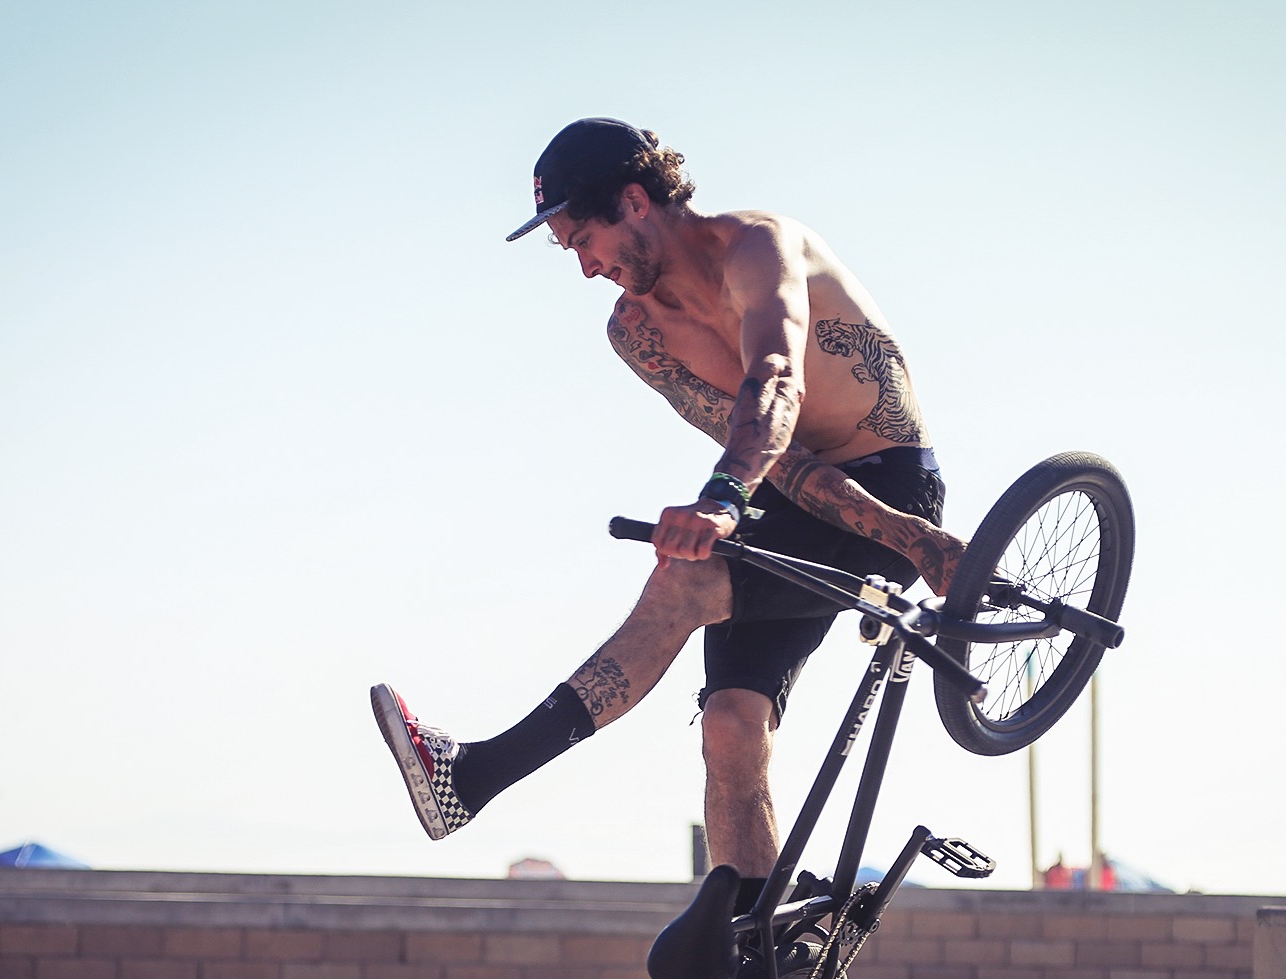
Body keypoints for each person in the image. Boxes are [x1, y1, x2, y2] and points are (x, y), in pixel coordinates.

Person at [372, 118, 963, 902]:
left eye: (585, 240)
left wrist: (900, 531)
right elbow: (780, 460)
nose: (585, 269)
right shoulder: (637, 333)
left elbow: (777, 380)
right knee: (729, 727)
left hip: (892, 478)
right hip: (784, 496)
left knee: (683, 585)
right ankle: (750, 977)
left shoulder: (758, 246)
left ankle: (475, 775)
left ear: (636, 201)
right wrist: (735, 500)